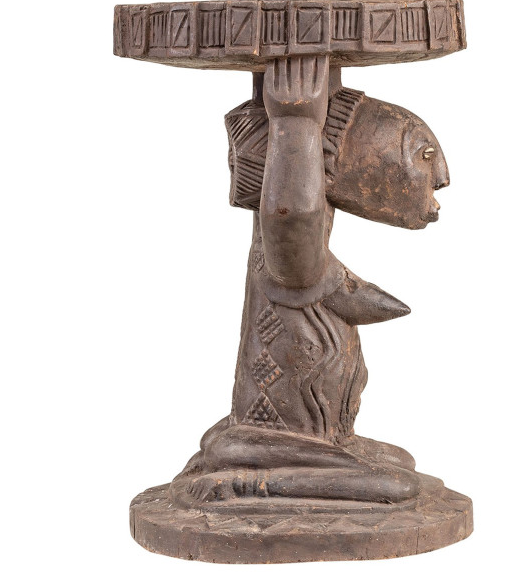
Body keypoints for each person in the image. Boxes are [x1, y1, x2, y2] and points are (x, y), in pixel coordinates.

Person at [170, 56, 450, 507]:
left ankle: (312, 449)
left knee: (401, 464)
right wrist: (295, 122)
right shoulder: (292, 243)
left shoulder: (311, 228)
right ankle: (248, 479)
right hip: (279, 432)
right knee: (397, 488)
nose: (441, 178)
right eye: (424, 155)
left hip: (311, 430)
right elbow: (292, 220)